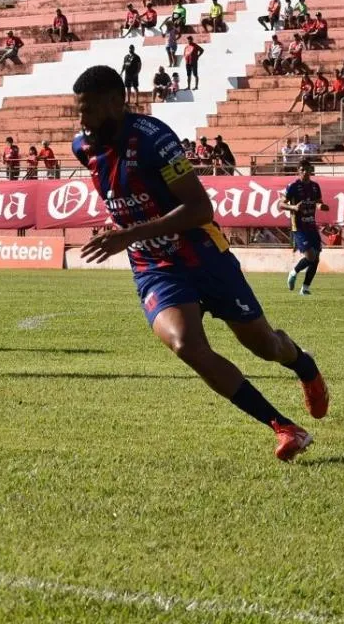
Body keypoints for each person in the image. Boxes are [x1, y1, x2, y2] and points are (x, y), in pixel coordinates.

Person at [72, 66, 327, 462]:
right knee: (185, 345)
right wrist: (126, 230)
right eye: (79, 111)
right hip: (154, 265)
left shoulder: (155, 140)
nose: (82, 121)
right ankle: (284, 427)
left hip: (203, 255)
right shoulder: (82, 147)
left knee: (264, 345)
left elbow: (199, 207)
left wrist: (128, 233)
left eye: (88, 110)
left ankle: (304, 364)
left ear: (116, 102)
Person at [278, 159, 329, 297]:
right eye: (303, 170)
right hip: (299, 227)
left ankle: (305, 288)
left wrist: (321, 206)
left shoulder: (315, 186)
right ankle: (293, 272)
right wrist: (293, 207)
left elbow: (318, 202)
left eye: (308, 169)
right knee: (311, 256)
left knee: (316, 258)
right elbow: (280, 205)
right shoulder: (293, 186)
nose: (306, 172)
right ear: (298, 171)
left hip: (311, 226)